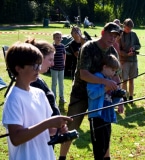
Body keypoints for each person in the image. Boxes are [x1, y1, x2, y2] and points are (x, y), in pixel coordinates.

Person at [59, 22, 123, 160]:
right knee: (71, 126)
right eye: (110, 35)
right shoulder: (88, 47)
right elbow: (83, 74)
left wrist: (120, 97)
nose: (112, 39)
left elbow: (116, 75)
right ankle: (62, 157)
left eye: (115, 36)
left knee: (104, 129)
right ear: (102, 32)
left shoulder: (113, 51)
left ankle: (106, 157)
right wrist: (105, 82)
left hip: (102, 97)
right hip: (81, 94)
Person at [2, 42, 73, 160]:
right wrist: (48, 123)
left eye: (39, 65)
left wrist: (58, 129)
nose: (38, 69)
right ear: (18, 68)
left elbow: (49, 130)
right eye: (34, 66)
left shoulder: (39, 94)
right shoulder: (14, 98)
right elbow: (16, 138)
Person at [87, 54, 123, 159]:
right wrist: (105, 88)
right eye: (112, 70)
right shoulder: (96, 78)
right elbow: (92, 94)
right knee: (99, 146)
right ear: (104, 67)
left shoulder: (109, 80)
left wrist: (118, 96)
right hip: (97, 117)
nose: (113, 73)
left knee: (106, 144)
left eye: (115, 71)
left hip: (107, 116)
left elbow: (111, 101)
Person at [26, 39, 61, 116]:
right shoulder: (33, 84)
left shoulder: (38, 80)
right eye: (50, 60)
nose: (53, 64)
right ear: (40, 58)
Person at [119, 18, 141, 103]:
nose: (129, 30)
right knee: (124, 80)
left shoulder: (134, 34)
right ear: (124, 26)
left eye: (130, 29)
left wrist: (134, 47)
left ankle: (131, 97)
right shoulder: (120, 36)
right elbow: (118, 50)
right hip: (124, 61)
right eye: (127, 28)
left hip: (133, 61)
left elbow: (138, 45)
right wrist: (126, 54)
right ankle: (124, 97)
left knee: (131, 80)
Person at [51, 31, 67, 103]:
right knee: (54, 83)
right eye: (57, 37)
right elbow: (50, 56)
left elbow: (64, 55)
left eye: (60, 37)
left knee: (61, 83)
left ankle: (62, 97)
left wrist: (64, 62)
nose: (59, 39)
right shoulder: (52, 47)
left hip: (61, 68)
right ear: (54, 38)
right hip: (54, 68)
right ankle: (53, 97)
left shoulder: (62, 46)